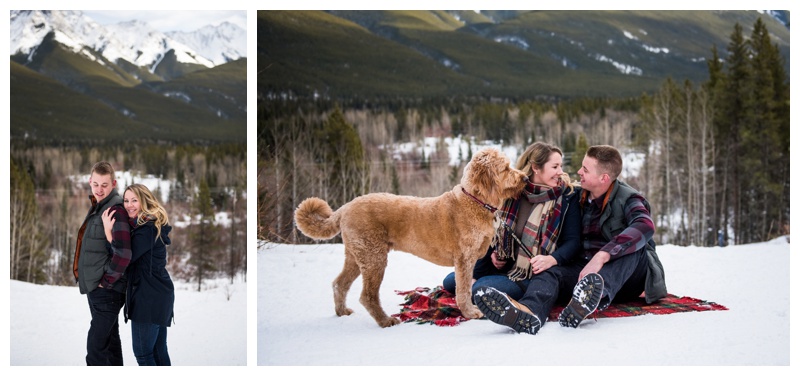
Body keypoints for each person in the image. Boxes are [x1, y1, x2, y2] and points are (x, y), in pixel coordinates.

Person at [442, 142, 583, 334]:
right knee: (451, 281)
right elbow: (498, 231)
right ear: (535, 167)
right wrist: (496, 255)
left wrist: (552, 259)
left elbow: (573, 241)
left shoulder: (566, 196)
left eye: (560, 166)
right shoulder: (513, 193)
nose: (560, 172)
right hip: (507, 268)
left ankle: (512, 294)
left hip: (533, 273)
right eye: (555, 166)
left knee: (477, 288)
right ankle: (491, 284)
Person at [103, 183, 175, 366]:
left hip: (148, 297)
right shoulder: (146, 226)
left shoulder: (147, 229)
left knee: (143, 354)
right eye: (126, 200)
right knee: (158, 351)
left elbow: (125, 255)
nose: (129, 205)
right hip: (157, 294)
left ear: (145, 201)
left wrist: (107, 231)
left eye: (134, 200)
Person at [73, 161, 131, 365]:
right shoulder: (100, 207)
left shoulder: (115, 210)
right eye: (96, 183)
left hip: (107, 289)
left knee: (96, 349)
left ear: (113, 183)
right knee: (110, 342)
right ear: (89, 182)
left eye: (104, 184)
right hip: (98, 289)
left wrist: (106, 281)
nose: (99, 189)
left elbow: (123, 253)